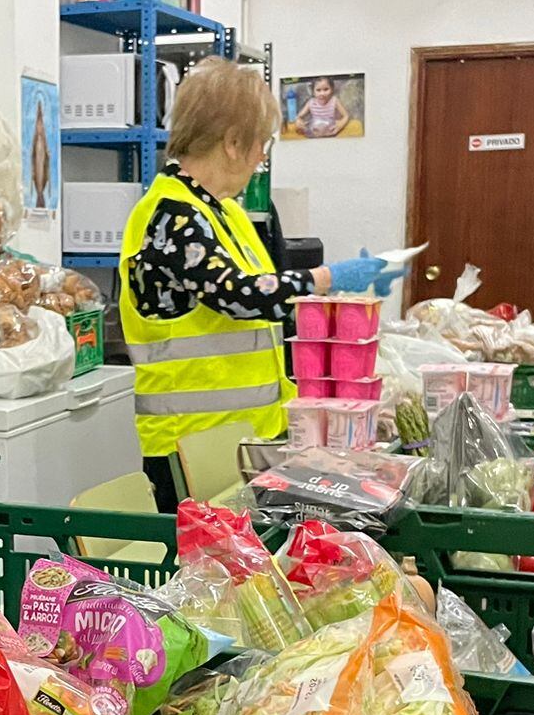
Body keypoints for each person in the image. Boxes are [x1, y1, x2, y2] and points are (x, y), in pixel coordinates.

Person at [120, 58, 402, 508]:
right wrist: (329, 278)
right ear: (233, 142)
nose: (260, 159)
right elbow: (240, 296)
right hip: (191, 448)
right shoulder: (171, 214)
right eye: (260, 144)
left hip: (246, 437)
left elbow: (268, 290)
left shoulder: (224, 211)